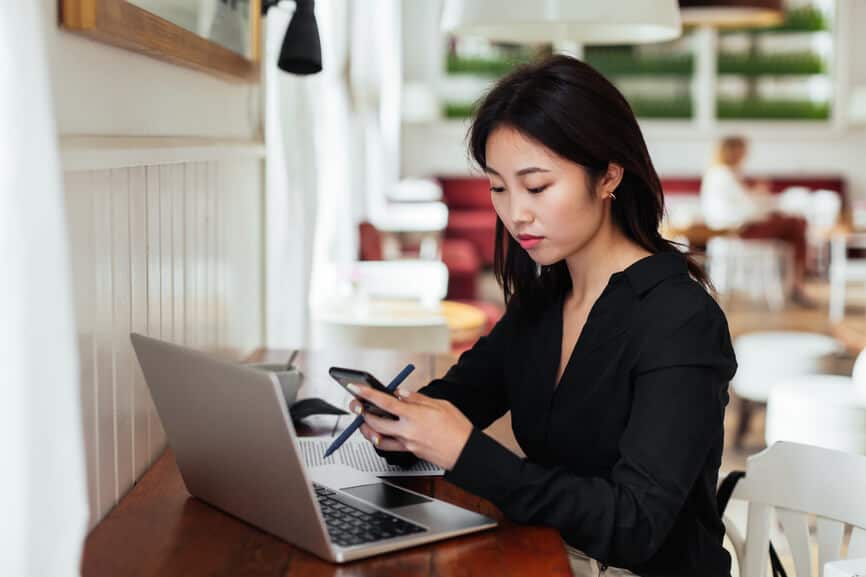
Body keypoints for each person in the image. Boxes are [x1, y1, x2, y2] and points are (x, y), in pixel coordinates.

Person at [347, 55, 737, 577]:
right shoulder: (543, 302)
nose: (515, 214)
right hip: (550, 556)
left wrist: (465, 450)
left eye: (536, 186)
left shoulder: (681, 320)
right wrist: (396, 424)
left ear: (608, 177)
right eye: (499, 187)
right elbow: (455, 400)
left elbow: (635, 526)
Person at [700, 136, 812, 305]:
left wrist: (759, 199)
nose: (745, 155)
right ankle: (797, 283)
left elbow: (745, 204)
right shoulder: (724, 175)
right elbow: (748, 209)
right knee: (797, 224)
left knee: (794, 228)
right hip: (738, 229)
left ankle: (795, 283)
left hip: (736, 227)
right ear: (732, 151)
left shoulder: (720, 173)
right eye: (742, 151)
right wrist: (761, 197)